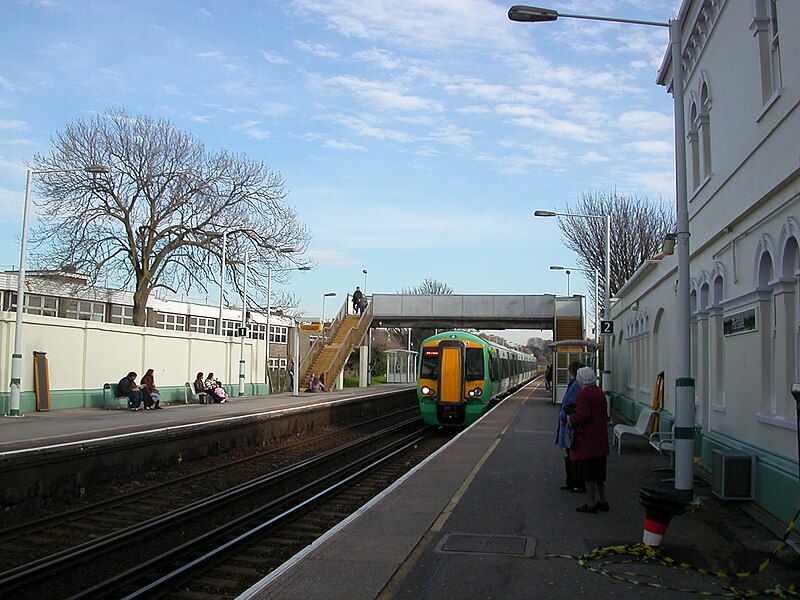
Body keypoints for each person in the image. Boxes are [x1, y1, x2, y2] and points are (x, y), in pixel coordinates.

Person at [567, 366, 610, 513]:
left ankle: (590, 502)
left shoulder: (584, 394)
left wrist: (571, 418)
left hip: (587, 440)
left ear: (581, 380)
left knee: (588, 474)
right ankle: (602, 500)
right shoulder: (599, 392)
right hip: (600, 439)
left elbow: (583, 416)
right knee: (598, 474)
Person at [556, 360, 585, 493]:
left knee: (571, 453)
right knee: (570, 453)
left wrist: (563, 418)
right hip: (569, 424)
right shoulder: (576, 384)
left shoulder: (575, 385)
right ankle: (571, 481)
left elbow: (569, 404)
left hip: (569, 425)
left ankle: (575, 482)